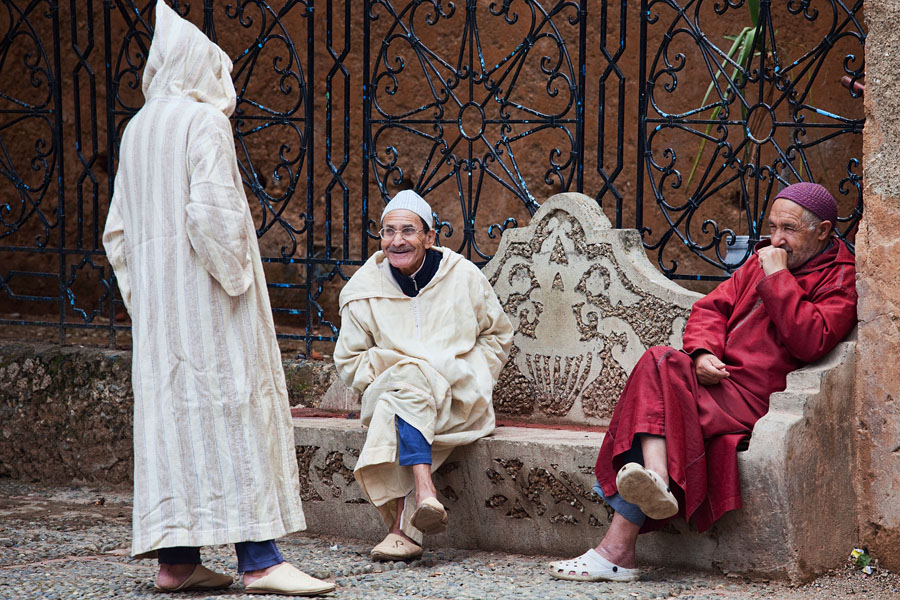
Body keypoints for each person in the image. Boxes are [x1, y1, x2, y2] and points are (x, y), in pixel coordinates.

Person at [102, 2, 333, 595]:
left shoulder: (138, 129)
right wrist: (236, 282)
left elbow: (117, 234)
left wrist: (147, 299)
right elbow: (214, 216)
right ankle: (259, 558)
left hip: (160, 314)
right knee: (233, 414)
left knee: (175, 425)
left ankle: (176, 562)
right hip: (208, 305)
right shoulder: (203, 123)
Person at [548, 182, 858, 582]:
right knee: (660, 359)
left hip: (758, 398)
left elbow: (810, 340)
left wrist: (778, 277)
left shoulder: (839, 279)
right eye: (773, 226)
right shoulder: (760, 261)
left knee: (657, 403)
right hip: (719, 382)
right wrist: (702, 353)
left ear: (824, 231)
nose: (777, 239)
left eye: (790, 229)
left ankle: (620, 545)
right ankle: (649, 488)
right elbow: (711, 309)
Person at [334, 189, 514, 561]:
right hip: (392, 389)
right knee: (409, 382)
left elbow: (497, 334)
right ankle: (424, 492)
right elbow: (350, 361)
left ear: (430, 237)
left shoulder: (463, 277)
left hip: (458, 395)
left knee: (400, 398)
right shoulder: (363, 290)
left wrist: (476, 373)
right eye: (388, 231)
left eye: (408, 231)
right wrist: (399, 368)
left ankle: (400, 530)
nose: (396, 240)